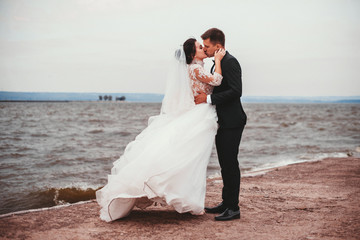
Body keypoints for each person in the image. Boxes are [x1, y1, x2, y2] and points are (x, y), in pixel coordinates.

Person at [96, 38, 225, 222]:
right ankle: (189, 201)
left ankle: (190, 200)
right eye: (199, 47)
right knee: (194, 159)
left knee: (193, 159)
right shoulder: (195, 68)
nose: (203, 48)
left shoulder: (196, 68)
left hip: (201, 113)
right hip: (200, 115)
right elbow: (218, 81)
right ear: (191, 54)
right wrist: (218, 60)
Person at [195, 28, 247, 221]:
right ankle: (226, 203)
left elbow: (236, 91)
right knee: (225, 164)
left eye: (207, 46)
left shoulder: (230, 62)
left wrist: (208, 99)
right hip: (223, 121)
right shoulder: (219, 62)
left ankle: (233, 208)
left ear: (218, 46)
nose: (205, 49)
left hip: (233, 121)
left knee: (230, 164)